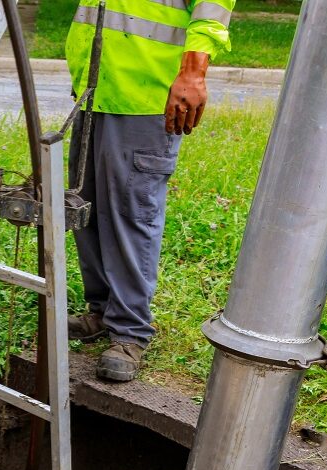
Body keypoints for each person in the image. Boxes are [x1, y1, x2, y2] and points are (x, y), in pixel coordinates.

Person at [65, 0, 234, 381]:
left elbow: (212, 7)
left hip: (146, 93)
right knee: (85, 206)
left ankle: (130, 331)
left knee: (130, 212)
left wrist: (194, 72)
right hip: (96, 87)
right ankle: (103, 309)